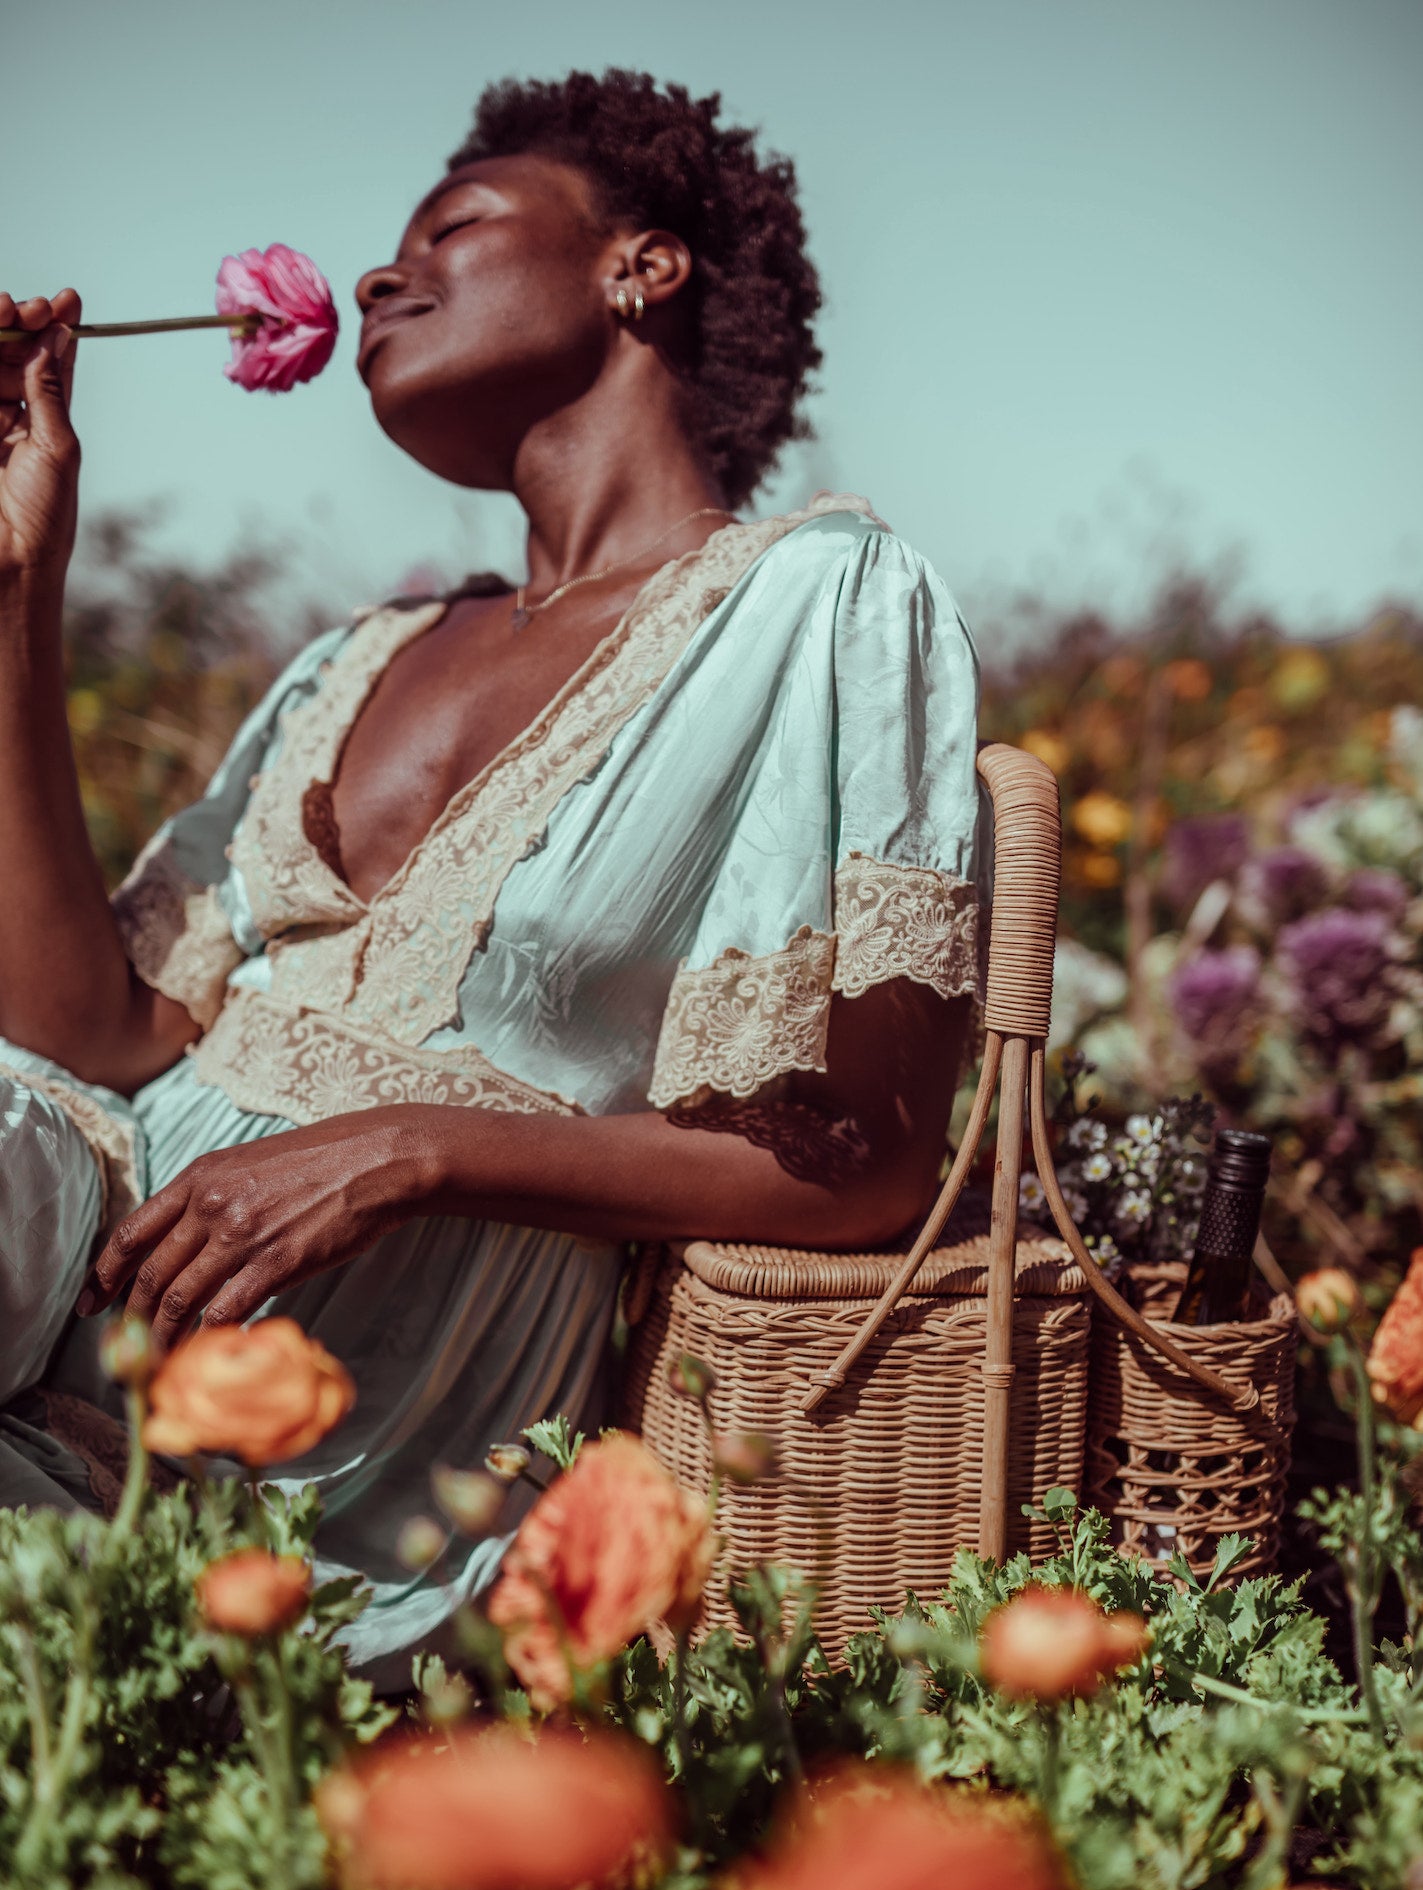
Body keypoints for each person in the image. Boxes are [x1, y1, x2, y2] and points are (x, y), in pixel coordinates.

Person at [0, 69, 985, 1677]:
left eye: (451, 227)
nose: (383, 274)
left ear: (640, 268)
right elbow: (92, 1033)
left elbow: (874, 1159)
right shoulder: (356, 653)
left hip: (346, 1422)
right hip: (75, 1237)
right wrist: (20, 585)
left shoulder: (817, 604)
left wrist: (406, 1148)